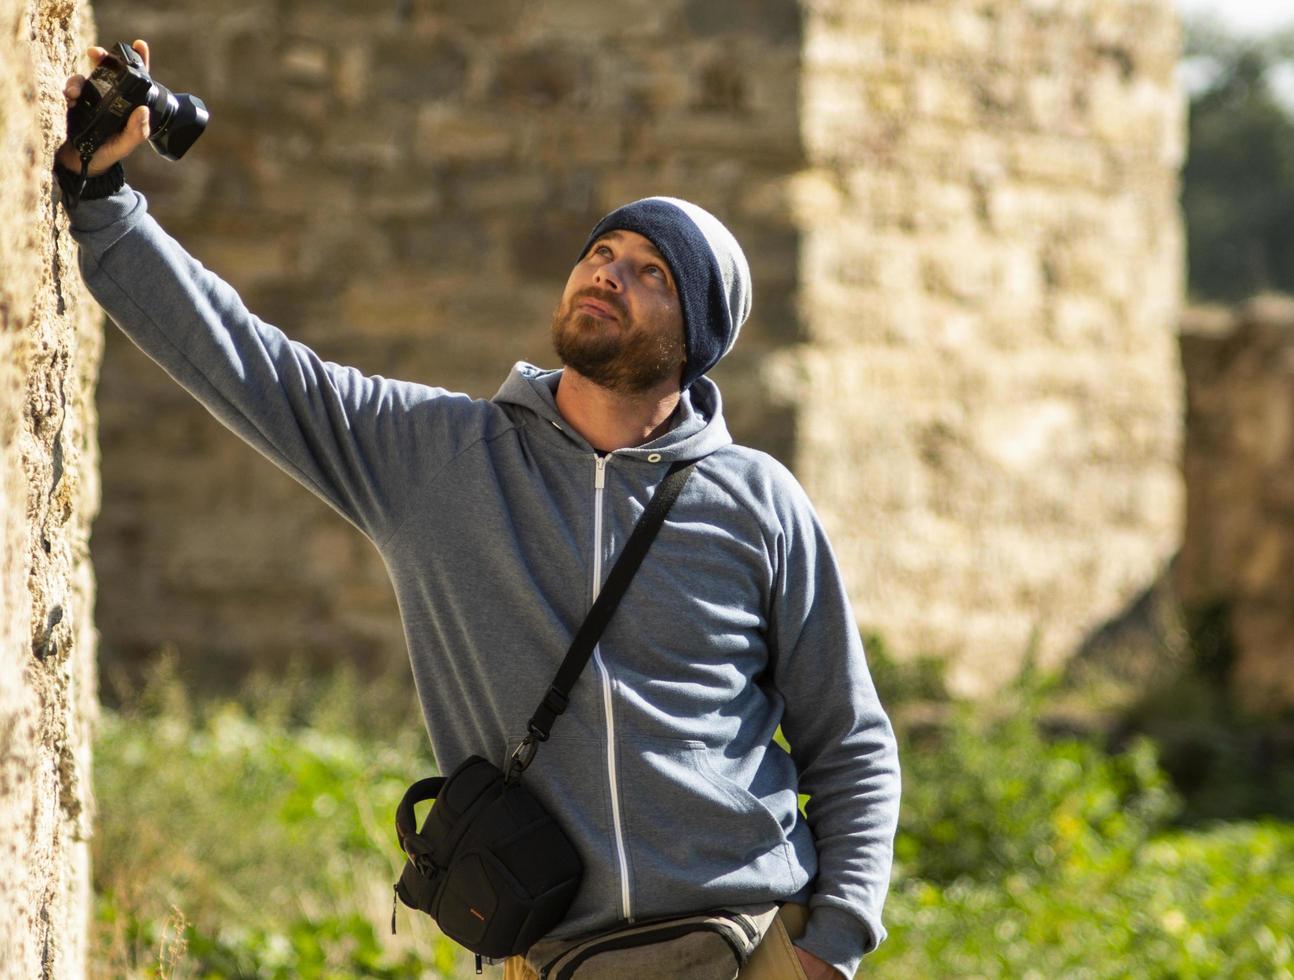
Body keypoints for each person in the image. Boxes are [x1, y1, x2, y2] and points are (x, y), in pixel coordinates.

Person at [57, 40, 900, 980]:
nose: (608, 273)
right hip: (552, 957)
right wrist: (104, 205)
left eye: (652, 272)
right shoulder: (439, 456)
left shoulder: (757, 501)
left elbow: (850, 742)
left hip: (751, 943)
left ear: (694, 339)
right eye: (602, 252)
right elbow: (249, 364)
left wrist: (831, 947)